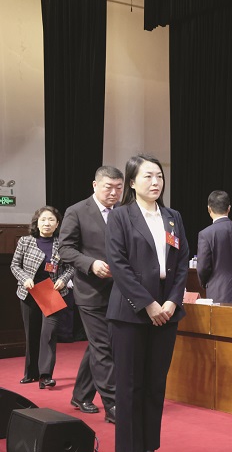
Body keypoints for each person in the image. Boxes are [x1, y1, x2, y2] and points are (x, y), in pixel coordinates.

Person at [105, 154, 189, 452]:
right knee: (129, 387)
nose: (156, 182)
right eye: (148, 176)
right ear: (132, 182)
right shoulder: (120, 216)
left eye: (159, 176)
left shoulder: (172, 217)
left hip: (167, 312)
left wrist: (172, 301)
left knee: (155, 386)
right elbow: (118, 265)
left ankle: (149, 446)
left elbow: (181, 263)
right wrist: (148, 304)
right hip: (130, 313)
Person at [59, 166, 123, 421]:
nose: (114, 192)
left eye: (118, 188)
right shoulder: (76, 211)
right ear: (95, 185)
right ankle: (113, 404)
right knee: (104, 346)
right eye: (109, 187)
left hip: (119, 291)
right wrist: (91, 264)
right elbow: (65, 249)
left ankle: (81, 394)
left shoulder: (124, 212)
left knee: (100, 345)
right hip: (90, 292)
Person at [11, 206, 74, 389]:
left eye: (51, 220)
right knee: (32, 333)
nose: (47, 223)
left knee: (49, 333)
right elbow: (15, 265)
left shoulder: (62, 244)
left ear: (57, 224)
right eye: (43, 220)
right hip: (29, 292)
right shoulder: (25, 241)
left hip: (52, 293)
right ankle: (31, 373)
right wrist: (25, 279)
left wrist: (63, 280)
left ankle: (45, 375)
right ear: (37, 223)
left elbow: (71, 267)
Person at [196, 190, 232, 304]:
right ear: (229, 208)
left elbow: (203, 266)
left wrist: (205, 283)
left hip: (218, 292)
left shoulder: (206, 234)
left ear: (209, 209)